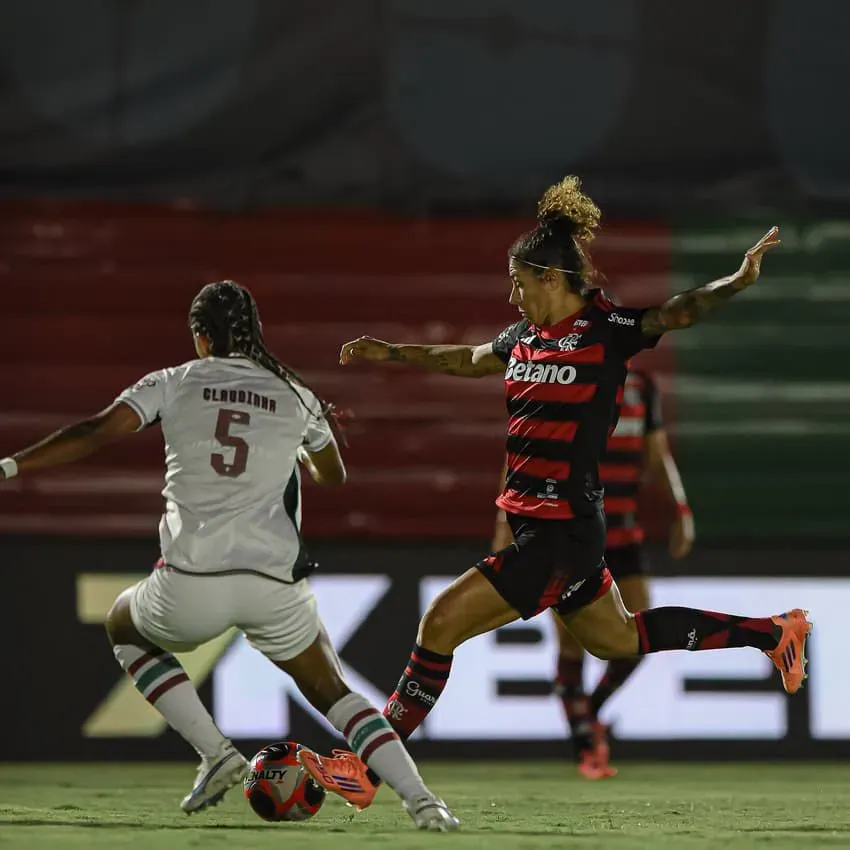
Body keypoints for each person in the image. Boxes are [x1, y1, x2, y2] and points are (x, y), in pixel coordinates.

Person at [299, 177, 810, 808]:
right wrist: (393, 351)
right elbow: (466, 358)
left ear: (550, 278)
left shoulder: (607, 328)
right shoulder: (522, 341)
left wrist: (735, 281)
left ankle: (364, 771)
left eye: (517, 281)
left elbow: (676, 311)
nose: (510, 293)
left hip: (559, 531)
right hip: (549, 530)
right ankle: (774, 633)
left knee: (439, 623)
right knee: (619, 640)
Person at [0, 281, 458, 831]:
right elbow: (333, 475)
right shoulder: (296, 394)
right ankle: (425, 803)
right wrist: (298, 453)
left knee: (124, 624)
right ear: (254, 334)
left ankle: (217, 753)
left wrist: (10, 467)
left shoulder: (172, 382)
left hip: (191, 579)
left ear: (200, 338)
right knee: (335, 693)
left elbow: (96, 432)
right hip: (273, 585)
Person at [491, 367, 695, 779]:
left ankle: (589, 711)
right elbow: (523, 452)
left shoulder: (642, 385)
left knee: (637, 635)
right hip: (568, 532)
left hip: (622, 532)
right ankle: (586, 743)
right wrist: (503, 527)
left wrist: (681, 509)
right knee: (572, 642)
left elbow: (658, 453)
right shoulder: (560, 377)